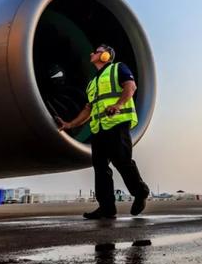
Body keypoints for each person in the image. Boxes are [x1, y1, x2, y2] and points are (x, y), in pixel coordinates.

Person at [57, 44, 150, 219]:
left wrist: (118, 105)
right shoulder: (92, 83)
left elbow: (130, 87)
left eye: (97, 51)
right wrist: (70, 124)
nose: (92, 53)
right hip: (99, 130)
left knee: (123, 162)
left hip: (116, 124)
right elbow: (89, 109)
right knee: (100, 168)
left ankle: (140, 192)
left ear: (106, 55)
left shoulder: (118, 68)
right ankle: (107, 207)